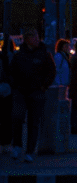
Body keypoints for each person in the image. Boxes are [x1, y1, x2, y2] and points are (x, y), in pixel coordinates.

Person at [10, 27, 57, 162]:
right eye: (34, 37)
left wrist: (44, 86)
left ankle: (30, 150)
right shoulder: (19, 55)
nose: (37, 39)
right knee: (17, 117)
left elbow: (51, 71)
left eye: (37, 37)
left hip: (37, 92)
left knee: (33, 122)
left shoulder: (44, 54)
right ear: (27, 40)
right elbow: (12, 71)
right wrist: (15, 85)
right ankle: (17, 145)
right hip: (20, 91)